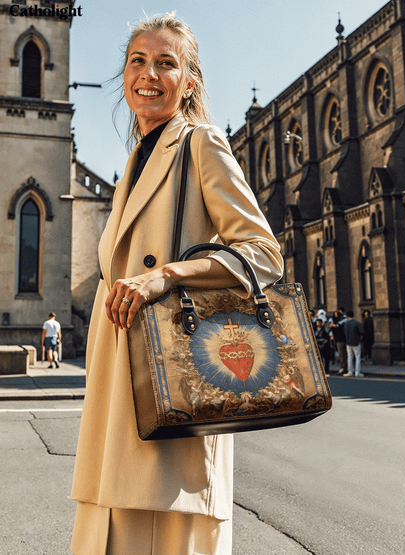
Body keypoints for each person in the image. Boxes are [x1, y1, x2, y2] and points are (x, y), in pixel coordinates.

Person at [70, 13, 283, 555]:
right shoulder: (132, 164)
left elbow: (263, 254)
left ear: (188, 82)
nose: (149, 73)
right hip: (118, 398)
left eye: (167, 63)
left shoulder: (201, 143)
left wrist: (164, 275)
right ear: (123, 76)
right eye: (138, 61)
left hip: (175, 398)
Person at [344, 311, 365, 377]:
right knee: (357, 357)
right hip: (356, 342)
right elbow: (362, 331)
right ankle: (357, 372)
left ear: (348, 316)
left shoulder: (346, 323)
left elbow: (344, 332)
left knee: (349, 357)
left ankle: (350, 371)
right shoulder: (357, 323)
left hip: (348, 342)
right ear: (353, 315)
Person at [329, 307, 348, 375]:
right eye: (335, 314)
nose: (335, 315)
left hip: (341, 339)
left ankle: (343, 367)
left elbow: (339, 326)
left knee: (342, 354)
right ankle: (343, 367)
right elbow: (331, 328)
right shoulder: (335, 321)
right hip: (337, 339)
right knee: (341, 354)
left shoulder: (341, 322)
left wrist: (335, 325)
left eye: (337, 314)